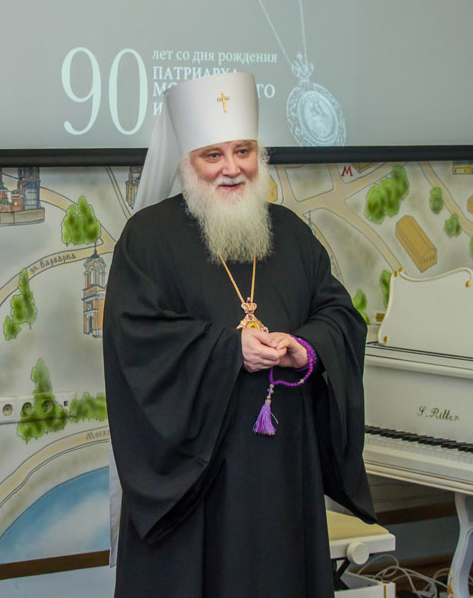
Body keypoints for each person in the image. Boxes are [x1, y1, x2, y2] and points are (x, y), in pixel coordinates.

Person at [103, 72, 374, 597]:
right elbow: (137, 341)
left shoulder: (289, 233)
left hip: (282, 476)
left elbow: (339, 315)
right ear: (188, 162)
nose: (232, 168)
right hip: (195, 486)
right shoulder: (148, 240)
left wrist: (305, 348)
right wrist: (231, 350)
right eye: (213, 155)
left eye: (243, 151)